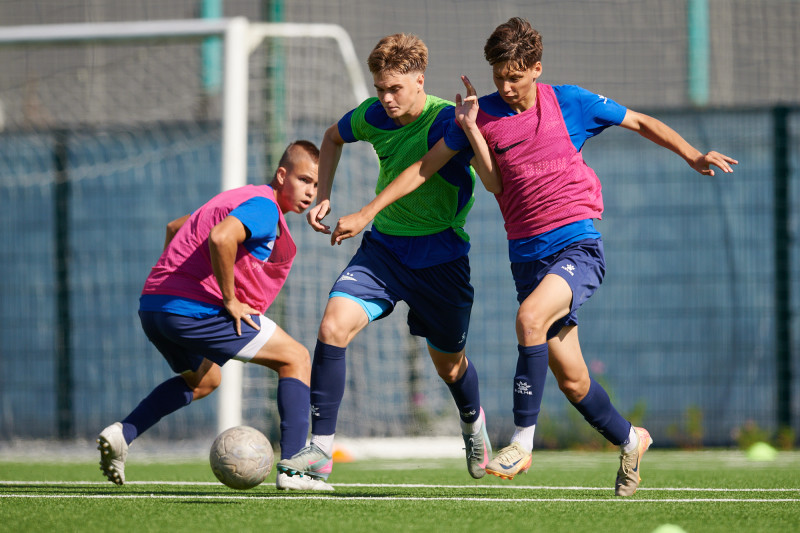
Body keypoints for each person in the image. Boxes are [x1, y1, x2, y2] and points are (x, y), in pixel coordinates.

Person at [363, 17, 737, 496]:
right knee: (574, 381)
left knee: (529, 319)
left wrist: (690, 154)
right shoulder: (483, 116)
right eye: (498, 76)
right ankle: (631, 438)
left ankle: (520, 442)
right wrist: (471, 135)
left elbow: (640, 121)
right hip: (527, 259)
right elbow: (478, 179)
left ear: (536, 69)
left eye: (515, 77)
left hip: (577, 245)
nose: (505, 86)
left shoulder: (571, 102)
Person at [274, 33, 495, 485]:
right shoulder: (373, 115)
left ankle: (474, 426)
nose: (386, 98)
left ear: (419, 80)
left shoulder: (444, 120)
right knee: (332, 326)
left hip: (441, 257)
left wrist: (364, 212)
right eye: (379, 89)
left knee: (449, 366)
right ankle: (320, 450)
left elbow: (421, 170)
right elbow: (332, 137)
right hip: (387, 249)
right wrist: (327, 194)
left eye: (395, 88)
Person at [96, 140, 332, 491]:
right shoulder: (265, 208)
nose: (311, 191)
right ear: (282, 175)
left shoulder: (237, 196)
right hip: (194, 310)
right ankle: (294, 470)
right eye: (304, 180)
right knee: (295, 358)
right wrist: (230, 299)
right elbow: (222, 239)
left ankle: (122, 434)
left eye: (316, 184)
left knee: (205, 381)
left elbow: (175, 228)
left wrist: (173, 283)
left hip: (153, 305)